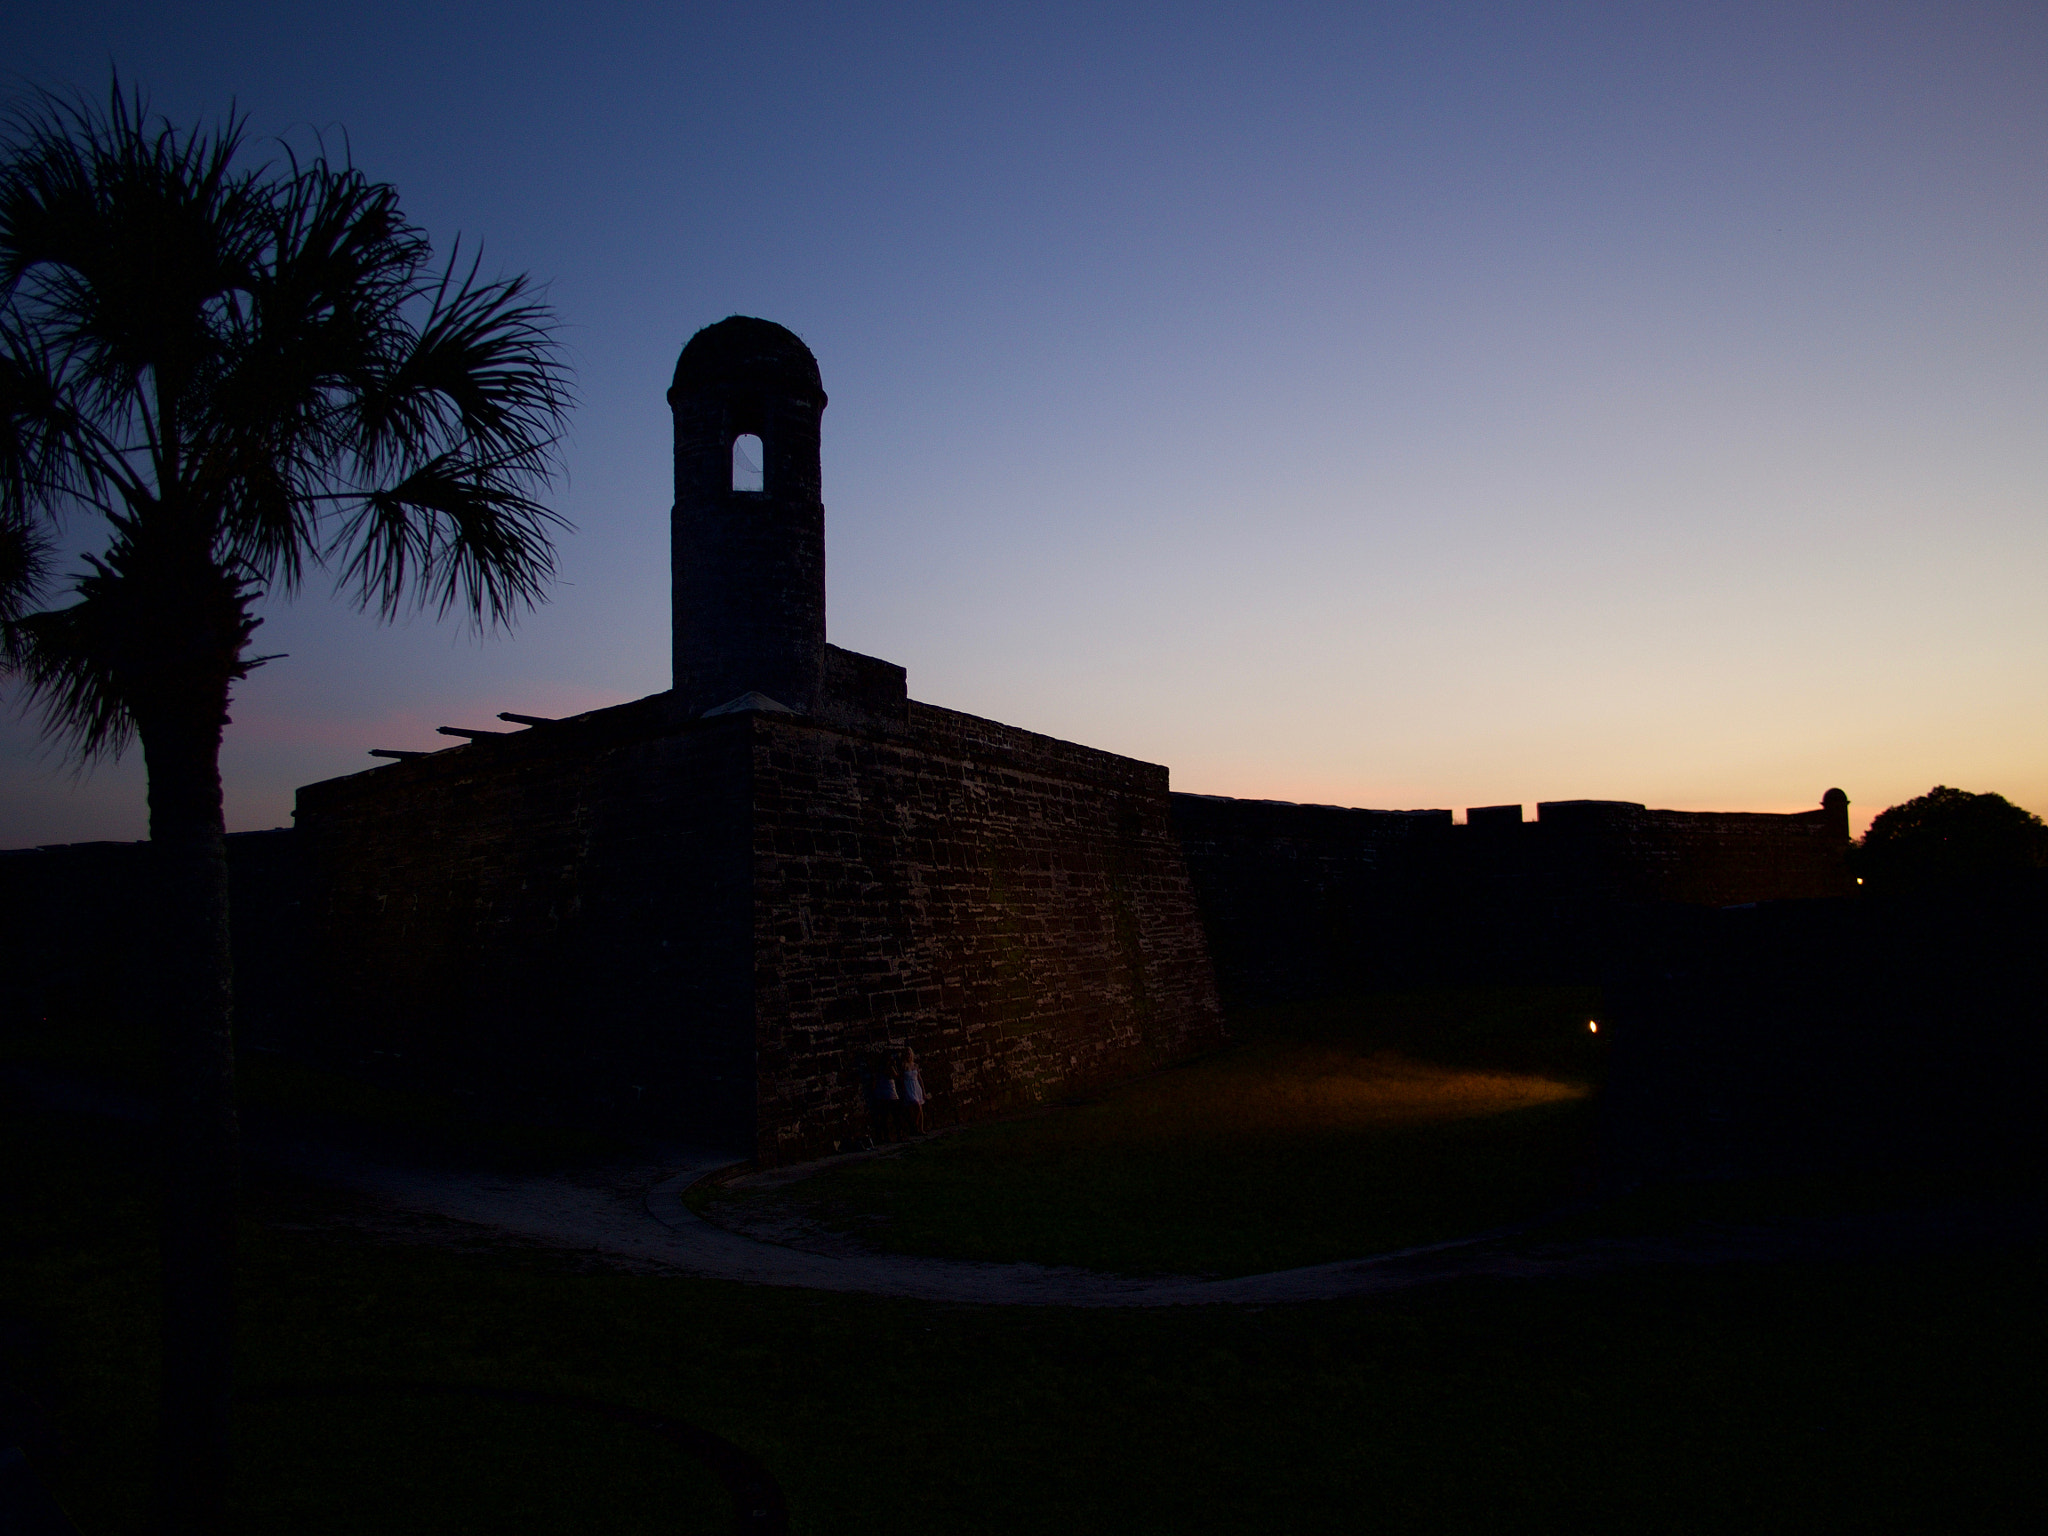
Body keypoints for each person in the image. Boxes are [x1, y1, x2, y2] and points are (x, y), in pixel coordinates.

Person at [870, 1050, 901, 1143]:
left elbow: (874, 1084)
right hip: (891, 1095)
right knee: (895, 1117)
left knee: (885, 1118)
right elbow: (897, 1076)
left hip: (883, 1096)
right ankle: (897, 1135)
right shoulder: (889, 1069)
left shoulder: (879, 1070)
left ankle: (887, 1136)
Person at [899, 1048, 927, 1136]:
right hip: (908, 1087)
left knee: (920, 1109)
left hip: (916, 1086)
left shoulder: (915, 1065)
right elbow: (901, 1079)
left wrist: (923, 1090)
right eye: (907, 1053)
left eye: (909, 1053)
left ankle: (920, 1129)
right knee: (916, 1106)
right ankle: (914, 1126)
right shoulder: (903, 1066)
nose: (908, 1055)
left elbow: (920, 1078)